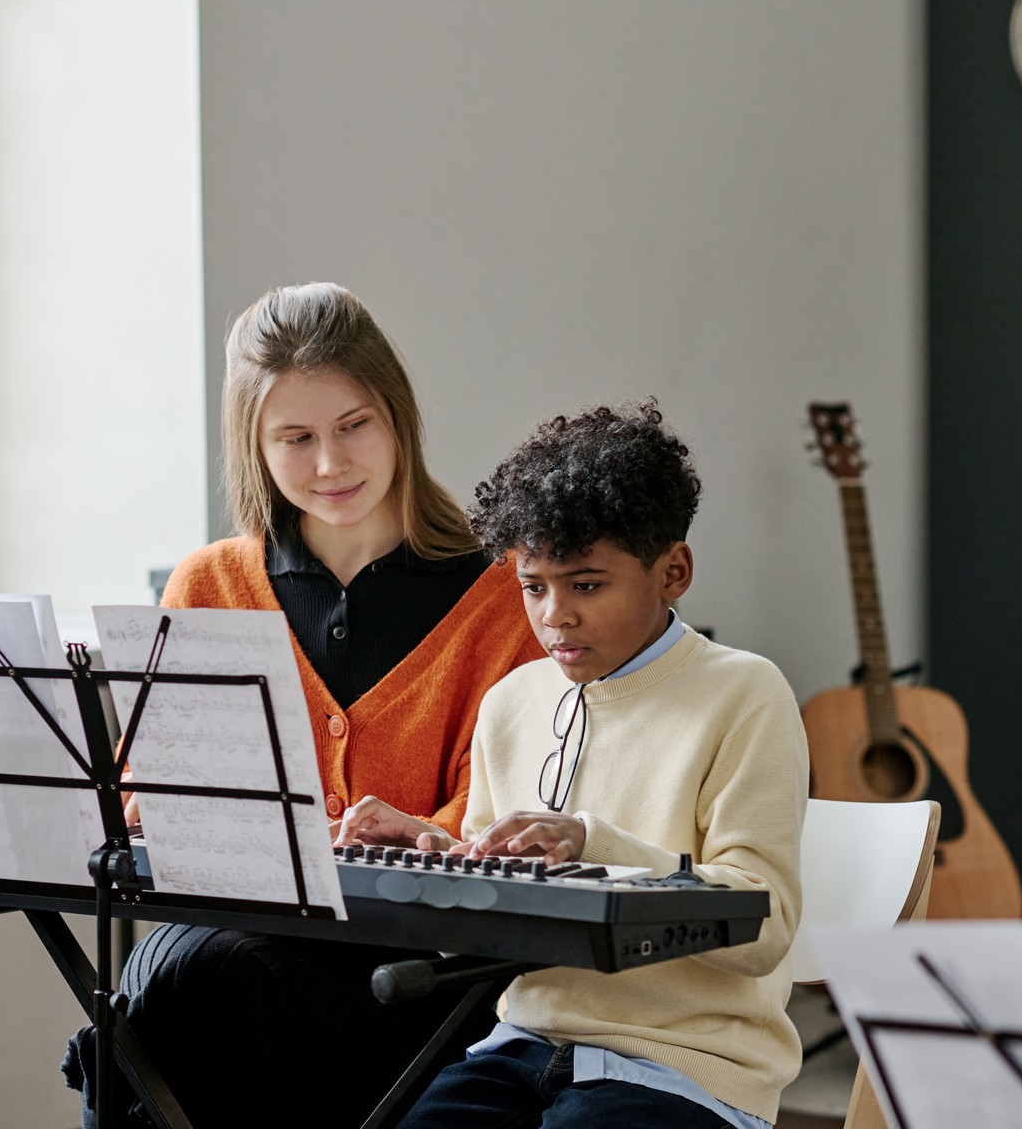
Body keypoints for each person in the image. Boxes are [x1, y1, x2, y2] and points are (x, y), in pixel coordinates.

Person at [62, 282, 542, 1128]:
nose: (330, 464)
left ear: (397, 416)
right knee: (183, 992)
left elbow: (504, 815)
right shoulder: (208, 584)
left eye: (354, 425)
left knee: (165, 1009)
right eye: (296, 438)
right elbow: (149, 800)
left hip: (415, 986)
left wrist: (408, 836)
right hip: (235, 959)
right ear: (255, 445)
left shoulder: (503, 596)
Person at [340, 400, 809, 1129]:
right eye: (533, 587)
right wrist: (435, 856)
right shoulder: (510, 703)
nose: (554, 615)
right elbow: (491, 930)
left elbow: (766, 926)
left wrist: (594, 843)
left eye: (586, 585)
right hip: (520, 1046)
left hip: (684, 1068)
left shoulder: (744, 693)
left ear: (673, 571)